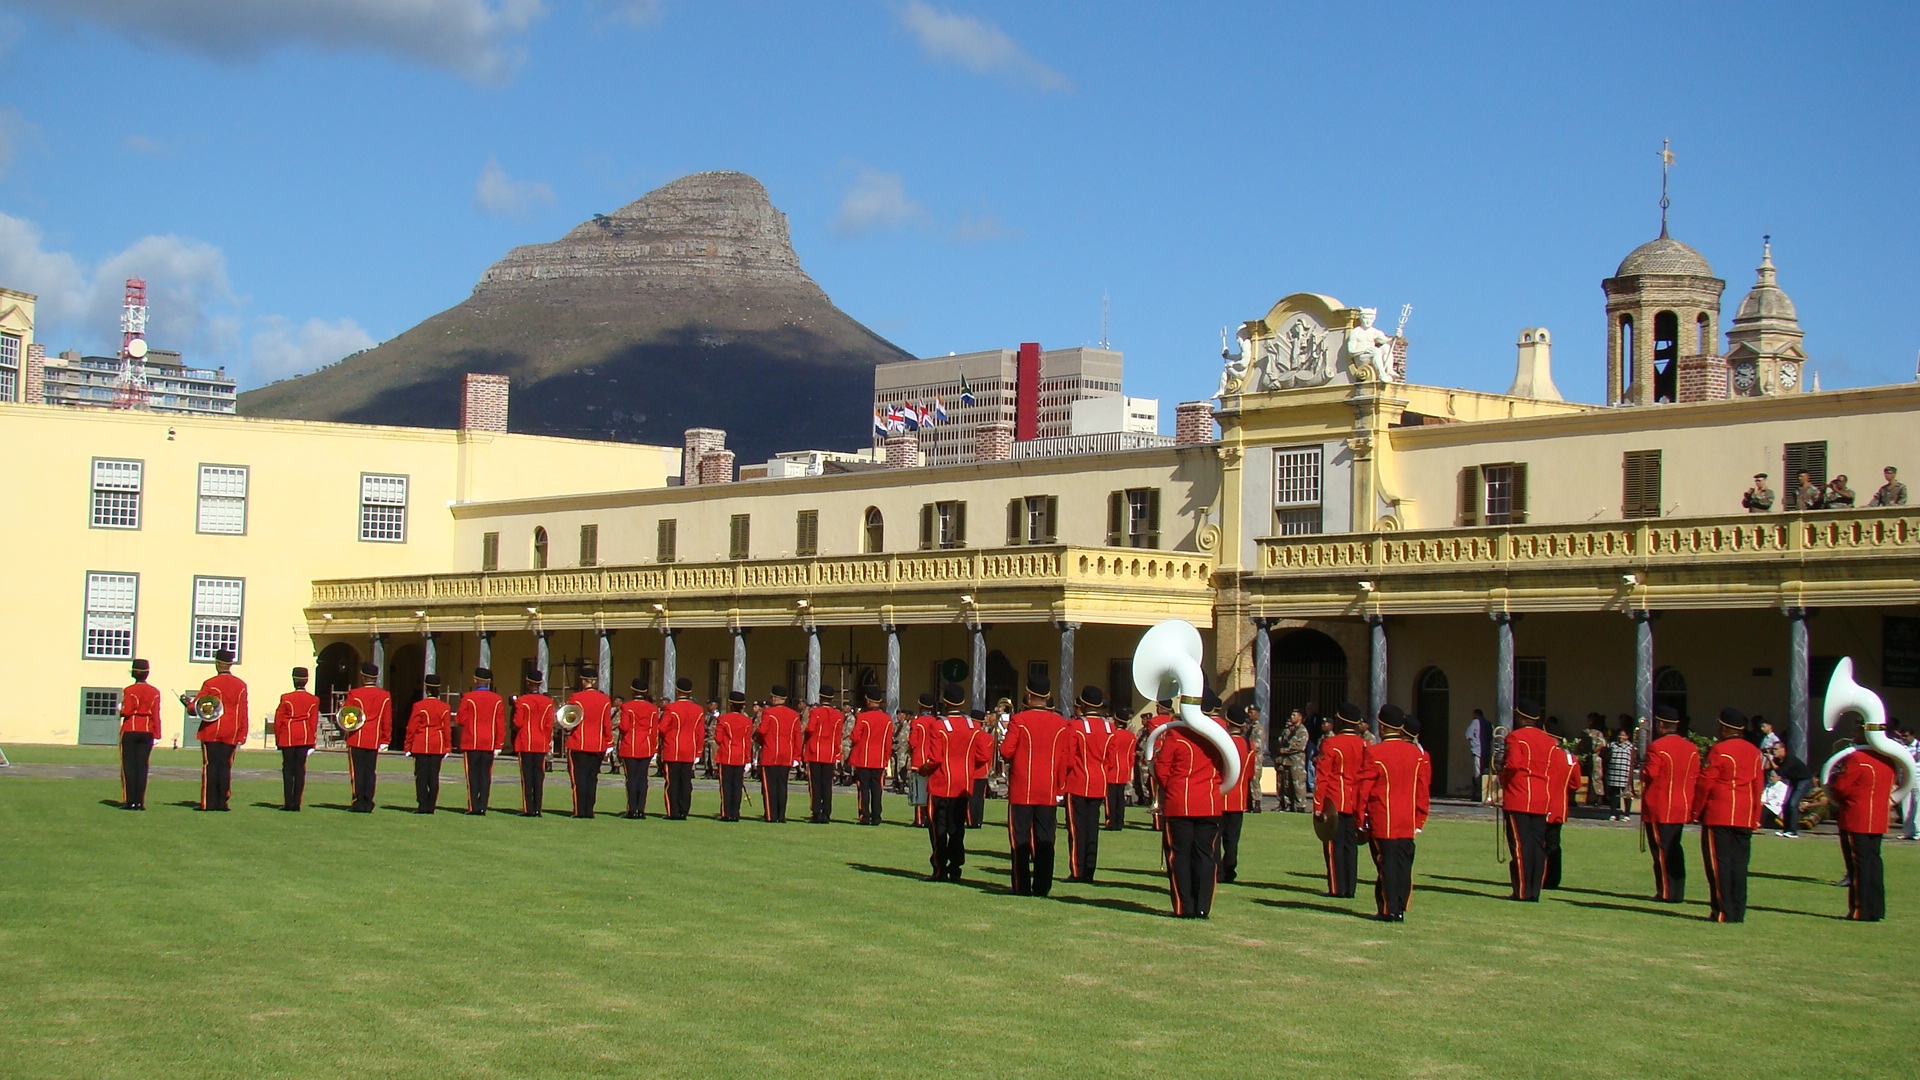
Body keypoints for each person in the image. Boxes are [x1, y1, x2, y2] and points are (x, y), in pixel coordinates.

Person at [999, 674, 1075, 897]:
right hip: (1048, 788)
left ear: (1029, 695)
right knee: (1045, 839)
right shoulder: (1062, 724)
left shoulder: (1019, 720)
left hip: (1022, 788)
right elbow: (1066, 759)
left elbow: (1006, 751)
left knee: (1019, 839)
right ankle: (1042, 886)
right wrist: (1060, 787)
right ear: (1049, 696)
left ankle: (1021, 885)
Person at [1356, 705, 1431, 921]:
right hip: (1407, 817)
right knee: (1403, 863)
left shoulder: (1374, 752)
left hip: (1383, 815)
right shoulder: (1416, 754)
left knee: (1386, 863)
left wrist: (1360, 818)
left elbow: (1364, 789)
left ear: (1382, 726)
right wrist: (1420, 817)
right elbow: (1422, 789)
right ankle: (1400, 905)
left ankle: (1390, 909)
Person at [1154, 700, 1226, 918]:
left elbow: (1162, 768)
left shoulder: (1177, 734)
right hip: (1210, 802)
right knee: (1205, 855)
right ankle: (1203, 907)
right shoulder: (1219, 733)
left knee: (1180, 856)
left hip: (1181, 802)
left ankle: (1184, 907)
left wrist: (1173, 788)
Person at [1695, 707, 1765, 923]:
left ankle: (1722, 910)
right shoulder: (1754, 751)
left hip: (1720, 813)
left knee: (1719, 865)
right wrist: (1755, 816)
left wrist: (1697, 810)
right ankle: (1737, 910)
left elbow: (1706, 782)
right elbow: (1757, 785)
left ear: (1725, 728)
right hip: (1744, 815)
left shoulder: (1719, 750)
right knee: (1739, 865)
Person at [1825, 724, 1898, 922]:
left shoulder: (1856, 759)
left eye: (1857, 730)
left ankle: (1860, 910)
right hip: (1877, 817)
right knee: (1874, 863)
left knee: (1858, 867)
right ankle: (1876, 908)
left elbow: (1840, 787)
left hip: (1856, 817)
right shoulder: (1887, 759)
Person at [919, 684, 987, 882]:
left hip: (942, 783)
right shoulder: (973, 726)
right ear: (963, 702)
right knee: (957, 829)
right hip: (963, 784)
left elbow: (936, 759)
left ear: (945, 702)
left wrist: (924, 769)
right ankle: (956, 868)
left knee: (938, 829)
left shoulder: (939, 725)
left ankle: (939, 869)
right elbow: (982, 754)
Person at [1499, 698, 1558, 902]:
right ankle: (1534, 890)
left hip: (1519, 796)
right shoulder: (1550, 740)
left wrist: (1501, 773)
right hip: (1542, 797)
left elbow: (1513, 764)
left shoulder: (1515, 737)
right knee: (1537, 846)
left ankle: (1522, 891)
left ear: (1522, 717)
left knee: (1520, 845)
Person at [1640, 705, 1699, 902]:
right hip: (1681, 804)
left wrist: (1642, 769)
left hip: (1660, 805)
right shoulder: (1691, 748)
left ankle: (1665, 892)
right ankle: (1677, 891)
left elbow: (1651, 773)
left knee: (1662, 852)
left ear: (1661, 724)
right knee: (1674, 849)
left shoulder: (1657, 747)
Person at [1313, 703, 1369, 898]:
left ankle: (1337, 888)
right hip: (1355, 801)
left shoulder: (1331, 743)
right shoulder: (1363, 745)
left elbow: (1322, 776)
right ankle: (1350, 887)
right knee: (1350, 846)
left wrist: (1318, 805)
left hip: (1334, 800)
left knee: (1333, 845)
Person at [1063, 686, 1116, 883]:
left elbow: (1069, 757)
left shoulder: (1075, 726)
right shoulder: (1109, 727)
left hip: (1078, 781)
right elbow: (1110, 759)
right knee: (1092, 828)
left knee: (1077, 830)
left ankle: (1077, 871)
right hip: (1098, 782)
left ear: (1083, 705)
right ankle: (1090, 869)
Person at [189, 648, 251, 812]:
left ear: (217, 663)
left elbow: (197, 705)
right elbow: (243, 710)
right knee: (225, 766)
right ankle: (222, 802)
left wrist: (188, 705)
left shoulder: (211, 683)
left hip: (212, 729)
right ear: (230, 664)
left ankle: (208, 802)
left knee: (210, 766)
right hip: (232, 729)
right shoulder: (241, 685)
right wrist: (242, 732)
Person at [337, 661, 390, 814]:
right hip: (374, 738)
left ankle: (358, 801)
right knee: (370, 771)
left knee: (357, 772)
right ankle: (368, 800)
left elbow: (346, 713)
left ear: (363, 677)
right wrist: (385, 739)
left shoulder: (355, 694)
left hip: (357, 737)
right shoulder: (385, 696)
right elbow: (387, 719)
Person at [1218, 705, 1259, 884]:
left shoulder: (1222, 742)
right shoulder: (1249, 745)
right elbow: (1250, 774)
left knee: (1216, 837)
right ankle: (1230, 868)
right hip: (1239, 797)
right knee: (1232, 838)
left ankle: (1217, 870)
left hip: (1220, 795)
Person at [564, 668, 613, 819]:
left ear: (583, 681)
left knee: (579, 779)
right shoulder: (604, 699)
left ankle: (580, 810)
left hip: (579, 743)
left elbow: (570, 719)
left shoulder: (576, 697)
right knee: (592, 779)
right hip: (598, 744)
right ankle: (589, 810)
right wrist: (609, 742)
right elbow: (607, 724)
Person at [456, 668, 506, 815]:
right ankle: (483, 805)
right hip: (489, 742)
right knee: (485, 775)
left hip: (472, 740)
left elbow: (461, 719)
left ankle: (473, 806)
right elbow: (500, 723)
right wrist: (499, 744)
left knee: (472, 775)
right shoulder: (497, 699)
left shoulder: (468, 697)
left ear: (475, 680)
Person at [270, 666, 319, 812]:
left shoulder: (286, 698)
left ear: (294, 680)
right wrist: (312, 741)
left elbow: (279, 720)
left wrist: (278, 739)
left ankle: (288, 802)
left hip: (288, 736)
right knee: (300, 770)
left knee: (288, 770)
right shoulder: (313, 699)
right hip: (304, 736)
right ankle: (297, 803)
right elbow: (313, 722)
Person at [118, 658, 162, 811]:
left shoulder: (130, 690)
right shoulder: (155, 692)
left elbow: (127, 711)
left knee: (129, 766)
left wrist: (120, 709)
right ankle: (140, 801)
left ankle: (130, 800)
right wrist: (157, 733)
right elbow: (156, 714)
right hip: (147, 730)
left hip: (131, 729)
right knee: (142, 766)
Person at [658, 677, 705, 820]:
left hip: (673, 749)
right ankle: (684, 810)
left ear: (678, 691)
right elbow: (700, 732)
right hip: (689, 749)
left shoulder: (671, 708)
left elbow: (662, 728)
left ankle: (673, 811)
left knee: (672, 782)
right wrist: (698, 751)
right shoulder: (698, 709)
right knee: (686, 781)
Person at [406, 675, 453, 813]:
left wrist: (408, 745)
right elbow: (446, 729)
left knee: (421, 776)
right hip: (437, 744)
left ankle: (422, 804)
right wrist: (447, 746)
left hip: (421, 743)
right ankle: (431, 805)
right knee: (433, 776)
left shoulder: (419, 706)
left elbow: (412, 727)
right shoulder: (444, 707)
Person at [754, 685, 801, 823]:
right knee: (782, 786)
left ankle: (770, 815)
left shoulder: (769, 713)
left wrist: (759, 740)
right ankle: (781, 815)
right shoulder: (793, 714)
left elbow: (762, 731)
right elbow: (797, 736)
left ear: (774, 698)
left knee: (769, 787)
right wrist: (797, 755)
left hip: (771, 753)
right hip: (787, 754)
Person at [511, 672, 555, 817]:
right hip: (541, 742)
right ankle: (538, 808)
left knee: (527, 776)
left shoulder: (523, 701)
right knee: (539, 776)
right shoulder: (548, 702)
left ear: (528, 683)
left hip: (526, 741)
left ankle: (528, 808)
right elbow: (549, 725)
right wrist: (547, 741)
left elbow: (518, 722)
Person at [847, 685, 891, 826]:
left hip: (863, 759)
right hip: (879, 759)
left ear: (868, 701)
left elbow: (854, 737)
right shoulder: (887, 719)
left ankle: (865, 816)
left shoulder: (863, 717)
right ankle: (877, 816)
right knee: (877, 789)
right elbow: (888, 742)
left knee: (864, 789)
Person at [1543, 736, 1583, 890]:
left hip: (1539, 803)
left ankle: (1537, 878)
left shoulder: (1543, 754)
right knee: (1553, 843)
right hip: (1559, 805)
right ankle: (1552, 880)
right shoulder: (1570, 758)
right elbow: (1575, 783)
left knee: (1536, 843)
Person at [713, 691, 753, 822]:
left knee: (726, 787)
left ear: (730, 705)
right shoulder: (747, 721)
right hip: (740, 756)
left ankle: (726, 813)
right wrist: (748, 759)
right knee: (737, 786)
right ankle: (735, 812)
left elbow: (718, 738)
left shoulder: (724, 719)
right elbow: (747, 742)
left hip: (726, 755)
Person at [1104, 709, 1138, 830]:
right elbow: (1131, 755)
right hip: (1124, 769)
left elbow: (1111, 754)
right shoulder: (1131, 736)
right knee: (1120, 798)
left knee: (1111, 799)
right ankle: (1119, 821)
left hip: (1112, 770)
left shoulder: (1113, 735)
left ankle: (1111, 821)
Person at [1769, 743, 1813, 837]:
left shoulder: (1789, 759)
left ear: (1783, 749)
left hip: (1804, 780)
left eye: (1776, 749)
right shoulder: (1777, 760)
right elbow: (1767, 767)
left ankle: (1793, 831)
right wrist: (1769, 758)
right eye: (1773, 749)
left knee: (1793, 804)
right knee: (1785, 804)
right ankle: (1786, 829)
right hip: (1794, 780)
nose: (1774, 751)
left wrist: (1770, 759)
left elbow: (1779, 772)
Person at [906, 692, 937, 827]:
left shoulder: (917, 722)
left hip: (919, 760)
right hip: (932, 760)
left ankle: (919, 820)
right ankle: (930, 817)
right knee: (931, 791)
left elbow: (913, 742)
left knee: (919, 791)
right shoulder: (936, 721)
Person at [1274, 707, 1309, 812]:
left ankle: (1300, 805)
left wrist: (1285, 750)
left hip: (1297, 761)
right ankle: (1288, 804)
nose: (1291, 717)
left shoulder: (1302, 731)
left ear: (1300, 717)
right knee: (1287, 784)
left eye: (1294, 715)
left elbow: (1299, 746)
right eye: (1291, 715)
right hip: (1287, 761)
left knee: (1298, 784)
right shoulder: (1290, 730)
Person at [1604, 725, 1637, 820]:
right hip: (1614, 773)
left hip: (1625, 773)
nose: (1621, 737)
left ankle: (1627, 814)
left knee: (1626, 794)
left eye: (1623, 735)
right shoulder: (1612, 745)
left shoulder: (1631, 747)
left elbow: (1634, 760)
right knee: (1614, 794)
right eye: (1619, 735)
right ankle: (1613, 813)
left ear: (1627, 736)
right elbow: (1605, 755)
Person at [1466, 708, 1494, 797]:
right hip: (1487, 750)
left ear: (1475, 715)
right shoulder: (1489, 724)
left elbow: (1468, 735)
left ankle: (1478, 793)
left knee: (1477, 772)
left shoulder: (1475, 722)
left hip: (1477, 749)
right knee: (1485, 771)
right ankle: (1485, 792)